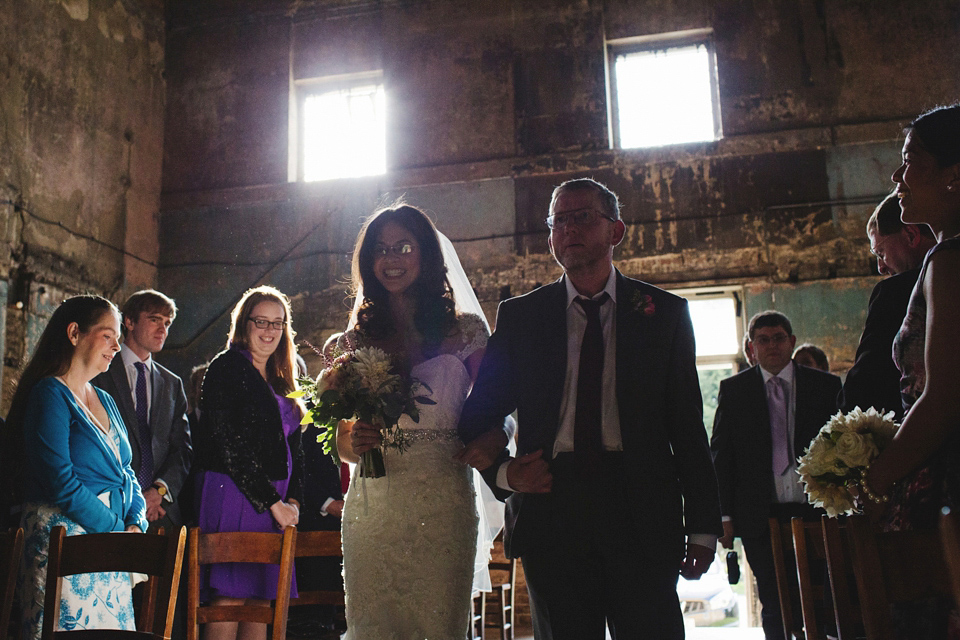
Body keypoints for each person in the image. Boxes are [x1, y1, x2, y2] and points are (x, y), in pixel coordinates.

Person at [458, 178, 722, 639]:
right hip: (552, 504)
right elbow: (478, 415)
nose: (568, 228)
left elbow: (686, 427)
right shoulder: (523, 316)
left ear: (616, 231)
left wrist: (702, 527)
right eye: (558, 220)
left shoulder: (663, 314)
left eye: (582, 216)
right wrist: (505, 474)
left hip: (641, 507)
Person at [334, 204, 497, 638]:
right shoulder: (350, 342)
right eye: (381, 249)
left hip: (444, 503)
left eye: (404, 247)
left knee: (438, 626)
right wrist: (355, 442)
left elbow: (501, 410)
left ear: (426, 254)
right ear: (369, 261)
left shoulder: (467, 332)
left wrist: (497, 439)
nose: (392, 259)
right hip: (373, 507)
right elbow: (341, 443)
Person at [862, 104, 960, 639]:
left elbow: (945, 397)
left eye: (910, 160)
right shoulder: (941, 256)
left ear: (954, 176)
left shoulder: (952, 261)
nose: (897, 176)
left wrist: (877, 478)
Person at [9, 295, 148, 639]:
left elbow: (127, 472)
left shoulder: (107, 399)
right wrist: (117, 529)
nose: (118, 346)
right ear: (74, 333)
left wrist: (136, 521)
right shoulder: (49, 394)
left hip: (109, 546)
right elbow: (61, 482)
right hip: (62, 542)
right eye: (108, 335)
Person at [711, 310, 842, 640]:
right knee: (774, 602)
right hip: (759, 513)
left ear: (792, 341)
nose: (772, 346)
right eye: (763, 340)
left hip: (816, 511)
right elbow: (722, 457)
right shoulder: (734, 390)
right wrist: (724, 515)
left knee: (824, 599)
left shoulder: (825, 386)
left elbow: (841, 446)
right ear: (752, 348)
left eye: (779, 338)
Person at [194, 286, 303, 640]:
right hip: (236, 495)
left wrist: (294, 502)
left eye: (278, 323)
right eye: (262, 322)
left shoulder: (281, 377)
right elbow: (231, 445)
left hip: (276, 505)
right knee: (229, 599)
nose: (270, 331)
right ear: (245, 324)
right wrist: (273, 503)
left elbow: (294, 450)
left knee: (261, 604)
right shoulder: (227, 367)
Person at [93, 290, 192, 531]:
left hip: (160, 511)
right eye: (155, 319)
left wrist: (158, 492)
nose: (163, 330)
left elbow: (183, 449)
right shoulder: (100, 370)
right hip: (111, 507)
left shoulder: (172, 383)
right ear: (129, 321)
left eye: (167, 323)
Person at [837, 192, 937, 419]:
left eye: (881, 253)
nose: (881, 268)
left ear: (911, 235)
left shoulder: (895, 293)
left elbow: (866, 382)